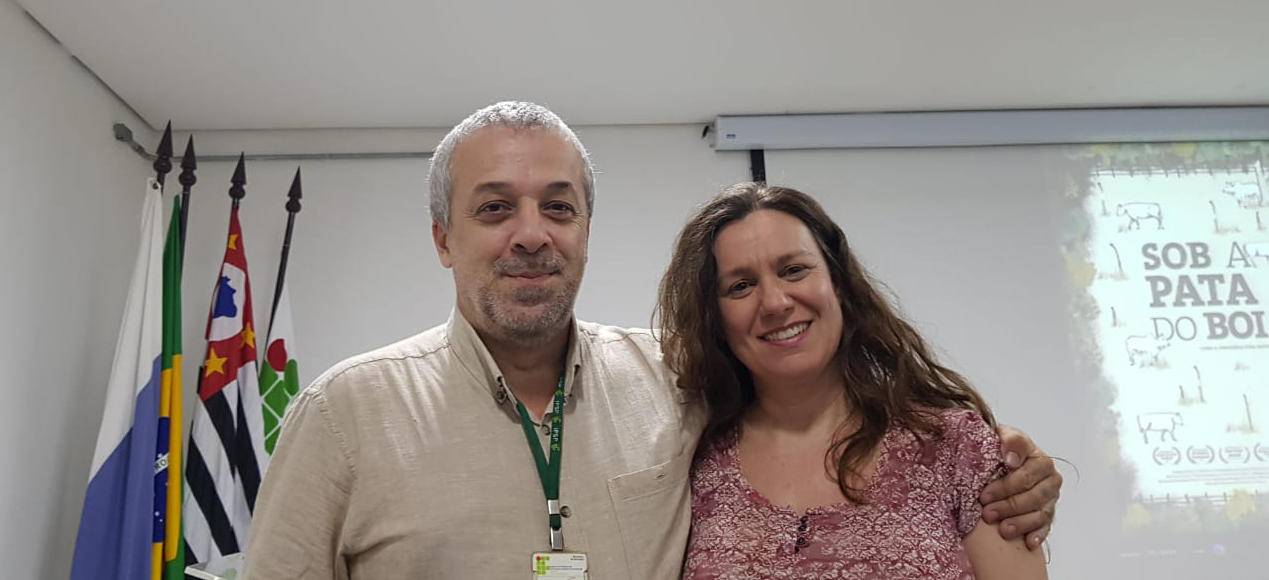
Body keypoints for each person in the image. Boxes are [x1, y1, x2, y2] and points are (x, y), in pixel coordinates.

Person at [243, 102, 1060, 579]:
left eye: (558, 207)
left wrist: (1017, 461)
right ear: (441, 238)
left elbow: (802, 385)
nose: (532, 235)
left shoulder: (676, 385)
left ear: (588, 230)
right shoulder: (345, 414)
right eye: (495, 208)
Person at [656, 183, 1048, 579]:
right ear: (715, 319)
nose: (775, 302)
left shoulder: (956, 449)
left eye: (794, 270)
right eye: (741, 286)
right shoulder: (688, 463)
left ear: (837, 282)